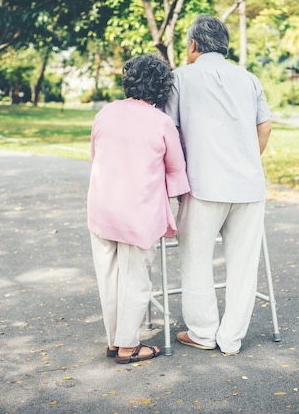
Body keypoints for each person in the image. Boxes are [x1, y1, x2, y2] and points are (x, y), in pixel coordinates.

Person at [163, 14, 272, 356]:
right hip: (248, 187)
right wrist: (245, 159)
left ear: (193, 45)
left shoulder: (180, 78)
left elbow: (168, 132)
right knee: (243, 264)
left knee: (196, 258)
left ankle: (204, 332)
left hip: (203, 186)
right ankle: (232, 339)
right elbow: (264, 128)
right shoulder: (249, 78)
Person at [87, 54, 190, 364]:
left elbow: (96, 155)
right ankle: (129, 347)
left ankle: (114, 340)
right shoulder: (161, 122)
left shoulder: (105, 113)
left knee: (109, 277)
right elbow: (176, 170)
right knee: (135, 280)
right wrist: (181, 199)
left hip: (102, 208)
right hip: (138, 212)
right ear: (162, 88)